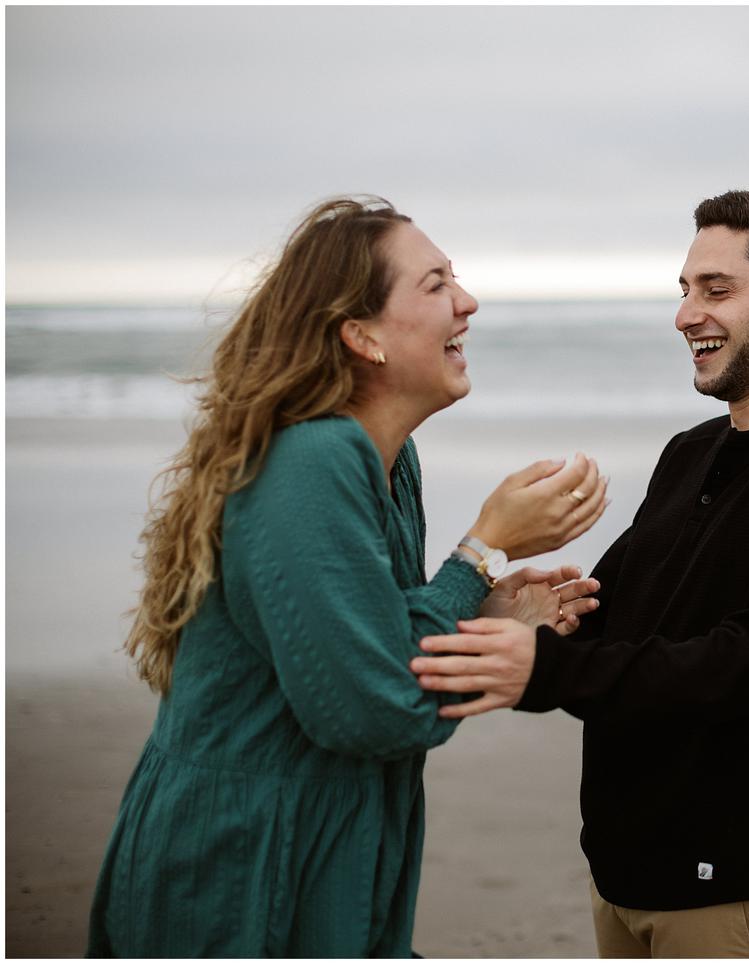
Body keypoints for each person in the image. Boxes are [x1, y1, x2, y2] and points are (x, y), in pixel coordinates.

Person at [86, 196, 608, 958]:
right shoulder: (311, 459)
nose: (468, 301)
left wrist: (489, 613)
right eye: (435, 285)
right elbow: (375, 707)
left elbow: (374, 645)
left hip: (331, 844)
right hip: (242, 866)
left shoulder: (389, 462)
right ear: (361, 336)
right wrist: (482, 549)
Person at [411, 189, 749, 957]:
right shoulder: (691, 453)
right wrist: (546, 615)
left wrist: (543, 674)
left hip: (736, 887)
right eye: (684, 291)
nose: (685, 315)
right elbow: (623, 620)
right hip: (624, 872)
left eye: (716, 289)